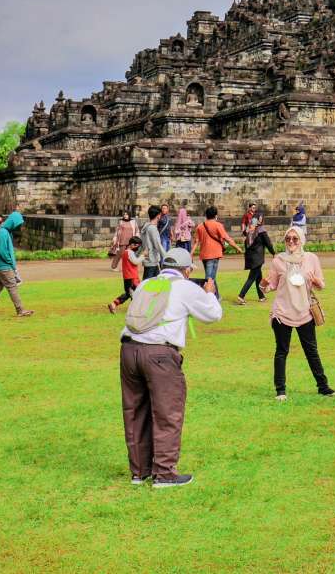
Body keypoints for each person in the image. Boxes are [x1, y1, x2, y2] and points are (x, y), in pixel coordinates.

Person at [119, 248, 223, 487]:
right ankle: (165, 473)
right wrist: (209, 293)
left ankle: (139, 471)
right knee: (167, 412)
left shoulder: (147, 284)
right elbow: (213, 314)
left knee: (135, 410)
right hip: (159, 354)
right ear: (186, 270)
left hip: (128, 350)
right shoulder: (186, 287)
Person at [262, 226, 335, 398]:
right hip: (282, 313)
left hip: (304, 312)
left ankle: (323, 387)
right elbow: (271, 286)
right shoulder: (278, 260)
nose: (291, 242)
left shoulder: (311, 259)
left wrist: (315, 281)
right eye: (288, 239)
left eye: (295, 239)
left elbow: (321, 285)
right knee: (282, 351)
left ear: (301, 240)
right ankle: (280, 390)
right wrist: (263, 284)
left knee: (311, 351)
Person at [0, 211, 32, 318]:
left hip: (1, 266)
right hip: (4, 266)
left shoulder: (5, 232)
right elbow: (2, 251)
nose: (18, 227)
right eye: (17, 224)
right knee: (12, 287)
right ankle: (20, 310)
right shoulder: (3, 233)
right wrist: (11, 263)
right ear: (12, 222)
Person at [190, 206, 239, 299]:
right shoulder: (218, 225)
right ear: (215, 215)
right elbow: (227, 238)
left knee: (211, 277)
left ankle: (216, 296)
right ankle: (206, 297)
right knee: (209, 278)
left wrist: (191, 253)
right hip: (214, 254)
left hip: (204, 255)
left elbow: (196, 242)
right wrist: (237, 247)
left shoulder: (200, 226)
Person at [236, 221, 275, 305]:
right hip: (257, 259)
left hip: (252, 259)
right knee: (251, 278)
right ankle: (241, 296)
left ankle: (261, 296)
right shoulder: (261, 232)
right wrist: (273, 253)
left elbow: (247, 247)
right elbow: (268, 243)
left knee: (258, 278)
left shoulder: (249, 234)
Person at [107, 235, 144, 314]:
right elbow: (135, 261)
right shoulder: (129, 253)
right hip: (132, 277)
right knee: (136, 293)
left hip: (127, 277)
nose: (138, 248)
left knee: (129, 293)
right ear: (132, 245)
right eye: (137, 246)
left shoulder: (126, 252)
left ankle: (114, 304)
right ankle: (135, 310)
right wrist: (143, 256)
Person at [140, 205, 166, 280]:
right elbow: (157, 245)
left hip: (150, 260)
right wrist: (166, 256)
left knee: (155, 286)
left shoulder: (146, 226)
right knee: (147, 287)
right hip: (152, 260)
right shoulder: (152, 228)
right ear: (158, 216)